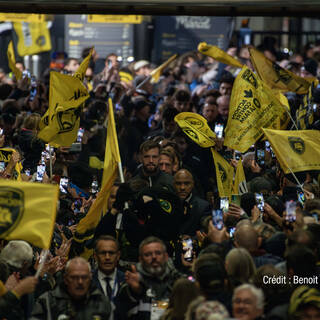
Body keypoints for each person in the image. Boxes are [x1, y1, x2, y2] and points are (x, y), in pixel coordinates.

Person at [117, 236, 181, 320]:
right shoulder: (130, 286)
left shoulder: (177, 283)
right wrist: (136, 292)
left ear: (166, 257)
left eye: (158, 253)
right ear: (140, 259)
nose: (154, 257)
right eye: (148, 254)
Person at [31, 257, 111, 319]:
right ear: (65, 279)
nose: (80, 282)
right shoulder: (47, 302)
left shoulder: (101, 302)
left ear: (90, 278)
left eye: (84, 277)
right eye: (74, 277)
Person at [93, 236, 125, 319]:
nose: (107, 257)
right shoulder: (86, 280)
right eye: (103, 253)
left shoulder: (127, 281)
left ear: (118, 255)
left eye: (111, 253)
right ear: (95, 256)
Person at [173, 169, 211, 236]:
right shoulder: (168, 204)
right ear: (173, 184)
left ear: (193, 184)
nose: (182, 187)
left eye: (187, 183)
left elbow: (205, 229)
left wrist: (191, 240)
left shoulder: (203, 206)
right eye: (178, 183)